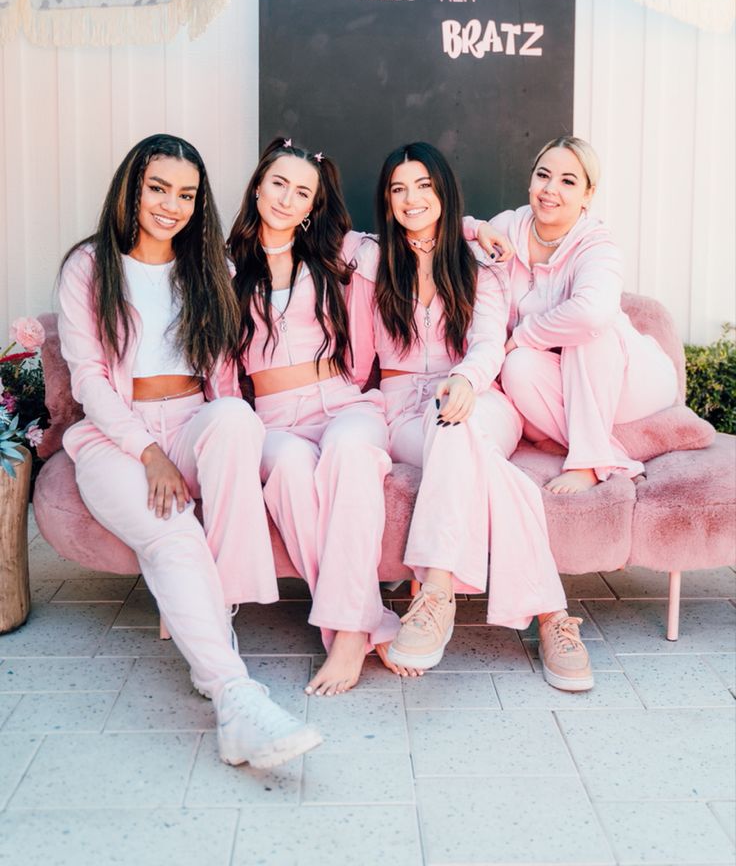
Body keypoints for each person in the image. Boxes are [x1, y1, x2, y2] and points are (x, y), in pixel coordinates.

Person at [58, 134, 321, 768]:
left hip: (191, 418)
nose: (170, 205)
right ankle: (234, 695)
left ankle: (215, 607)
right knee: (172, 530)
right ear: (131, 188)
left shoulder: (210, 269)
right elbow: (90, 378)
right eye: (157, 188)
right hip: (115, 436)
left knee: (234, 420)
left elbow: (226, 376)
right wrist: (147, 452)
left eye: (186, 194)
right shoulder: (89, 267)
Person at [349, 142, 593, 692]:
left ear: (443, 192)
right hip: (404, 409)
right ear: (386, 201)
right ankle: (552, 616)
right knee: (470, 453)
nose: (412, 198)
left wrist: (466, 379)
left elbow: (487, 343)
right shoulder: (369, 262)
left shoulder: (482, 264)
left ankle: (435, 591)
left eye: (424, 186)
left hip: (481, 398)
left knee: (458, 425)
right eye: (398, 188)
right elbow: (360, 359)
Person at [228, 137, 403, 698]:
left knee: (351, 455)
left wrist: (474, 231)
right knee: (290, 474)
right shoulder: (223, 265)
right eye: (278, 183)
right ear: (258, 185)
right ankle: (363, 623)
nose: (286, 197)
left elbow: (415, 235)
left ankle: (348, 636)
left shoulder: (338, 255)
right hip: (274, 419)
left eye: (301, 191)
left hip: (344, 403)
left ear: (311, 207)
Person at [475, 135, 678, 494]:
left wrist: (522, 335)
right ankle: (599, 447)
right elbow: (444, 245)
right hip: (566, 384)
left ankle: (588, 462)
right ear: (531, 180)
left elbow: (591, 315)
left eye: (568, 181)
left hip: (631, 383)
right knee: (517, 366)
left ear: (588, 194)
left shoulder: (597, 244)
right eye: (543, 175)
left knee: (589, 332)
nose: (550, 189)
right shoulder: (507, 227)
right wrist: (475, 228)